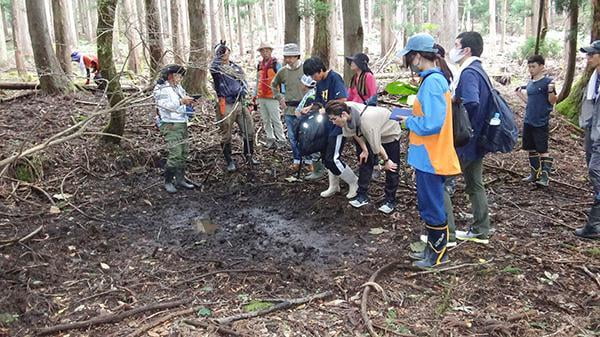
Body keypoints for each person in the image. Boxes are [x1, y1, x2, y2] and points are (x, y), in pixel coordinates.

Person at [397, 33, 460, 268]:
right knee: (428, 203)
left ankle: (437, 253)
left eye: (409, 58)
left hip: (432, 156)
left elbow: (432, 124)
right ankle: (431, 249)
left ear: (417, 57)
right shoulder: (432, 79)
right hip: (426, 155)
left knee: (432, 205)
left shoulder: (433, 82)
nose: (409, 63)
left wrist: (408, 122)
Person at [445, 31, 493, 245]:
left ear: (466, 50)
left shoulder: (469, 73)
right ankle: (481, 229)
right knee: (475, 183)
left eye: (456, 45)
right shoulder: (478, 70)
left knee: (442, 182)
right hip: (477, 139)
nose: (453, 50)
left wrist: (455, 101)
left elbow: (471, 101)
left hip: (466, 140)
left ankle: (447, 234)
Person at [325, 101, 401, 213]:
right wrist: (365, 149)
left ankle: (390, 200)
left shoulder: (367, 122)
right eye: (330, 119)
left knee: (392, 167)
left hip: (388, 133)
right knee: (364, 161)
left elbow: (376, 146)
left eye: (334, 119)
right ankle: (362, 195)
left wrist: (386, 160)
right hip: (369, 133)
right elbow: (354, 133)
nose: (333, 122)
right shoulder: (346, 111)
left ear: (343, 115)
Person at [303, 57, 359, 199]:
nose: (313, 78)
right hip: (326, 125)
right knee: (326, 156)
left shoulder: (335, 78)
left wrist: (326, 110)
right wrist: (310, 107)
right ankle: (334, 185)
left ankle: (354, 182)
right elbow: (318, 102)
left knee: (333, 158)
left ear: (320, 70)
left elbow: (342, 101)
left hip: (338, 125)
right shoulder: (319, 83)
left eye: (313, 74)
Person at [209, 41, 259, 173]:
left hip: (239, 102)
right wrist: (218, 52)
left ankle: (249, 156)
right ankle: (229, 160)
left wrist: (244, 90)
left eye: (226, 51)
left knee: (249, 129)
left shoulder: (235, 67)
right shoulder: (217, 68)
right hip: (225, 103)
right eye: (222, 52)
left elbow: (243, 80)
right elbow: (213, 67)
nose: (225, 54)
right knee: (226, 133)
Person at [152, 64, 196, 193]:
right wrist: (181, 102)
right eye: (179, 75)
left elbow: (181, 101)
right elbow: (164, 106)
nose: (181, 78)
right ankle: (168, 181)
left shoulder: (178, 87)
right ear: (171, 75)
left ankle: (180, 180)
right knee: (175, 153)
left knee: (183, 152)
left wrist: (189, 102)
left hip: (182, 122)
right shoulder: (161, 88)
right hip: (170, 124)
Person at [515, 55, 557, 187]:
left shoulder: (548, 82)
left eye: (533, 66)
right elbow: (530, 102)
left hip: (541, 120)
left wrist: (551, 90)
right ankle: (535, 174)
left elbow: (552, 101)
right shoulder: (530, 82)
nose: (531, 69)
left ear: (541, 67)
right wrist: (520, 95)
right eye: (529, 66)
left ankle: (545, 177)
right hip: (529, 119)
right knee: (530, 148)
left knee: (542, 149)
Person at [574, 40, 600, 240]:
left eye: (592, 54)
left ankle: (594, 225)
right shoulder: (594, 77)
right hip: (592, 132)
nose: (588, 58)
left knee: (595, 171)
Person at [271, 43, 308, 172]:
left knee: (306, 135)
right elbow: (273, 84)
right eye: (287, 57)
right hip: (289, 109)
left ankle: (309, 160)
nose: (289, 60)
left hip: (305, 109)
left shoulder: (305, 69)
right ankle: (297, 160)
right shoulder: (283, 71)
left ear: (297, 56)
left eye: (292, 57)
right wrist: (279, 97)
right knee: (292, 137)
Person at [255, 42, 286, 149]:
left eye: (267, 50)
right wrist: (255, 95)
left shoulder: (276, 64)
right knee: (265, 119)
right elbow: (257, 80)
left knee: (275, 119)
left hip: (273, 96)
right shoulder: (259, 65)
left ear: (271, 51)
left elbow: (282, 79)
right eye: (262, 51)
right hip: (261, 96)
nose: (265, 52)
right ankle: (270, 138)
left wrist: (282, 95)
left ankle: (281, 139)